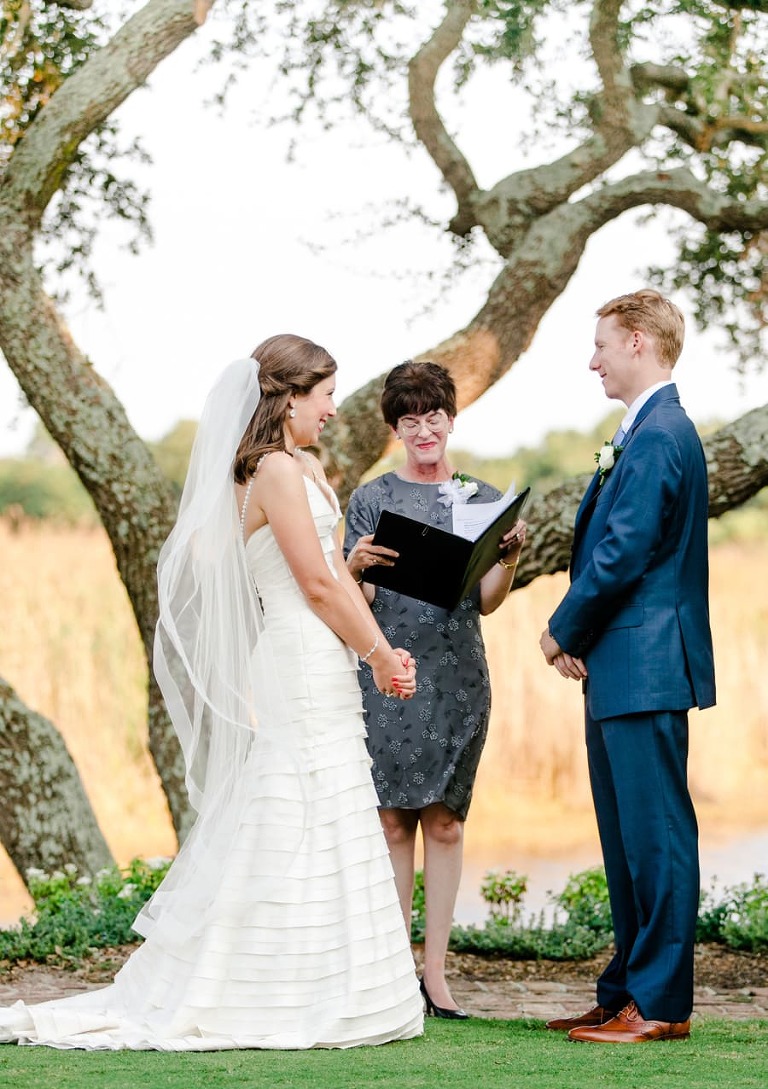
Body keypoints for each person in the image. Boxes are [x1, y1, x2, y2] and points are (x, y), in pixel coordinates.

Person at [0, 335, 425, 1050]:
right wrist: (380, 653)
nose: (330, 409)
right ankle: (263, 982)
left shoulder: (292, 468)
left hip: (313, 649)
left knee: (322, 798)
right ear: (290, 398)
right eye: (323, 395)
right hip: (300, 654)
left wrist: (353, 570)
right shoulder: (275, 472)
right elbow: (314, 588)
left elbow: (325, 573)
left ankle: (323, 976)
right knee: (298, 796)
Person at [540, 290, 716, 1044]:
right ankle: (625, 991)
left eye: (602, 345)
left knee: (657, 839)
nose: (593, 360)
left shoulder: (659, 434)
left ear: (638, 342)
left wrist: (560, 628)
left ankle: (661, 1005)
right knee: (624, 842)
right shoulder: (643, 431)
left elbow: (624, 553)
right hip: (622, 665)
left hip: (645, 663)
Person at [344, 360, 527, 1019]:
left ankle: (436, 976)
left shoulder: (479, 495)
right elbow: (354, 598)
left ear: (452, 419)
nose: (424, 429)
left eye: (434, 416)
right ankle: (394, 974)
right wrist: (356, 565)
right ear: (396, 428)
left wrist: (507, 558)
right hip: (389, 673)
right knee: (393, 824)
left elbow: (487, 601)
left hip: (457, 677)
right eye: (410, 419)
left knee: (444, 825)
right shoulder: (370, 497)